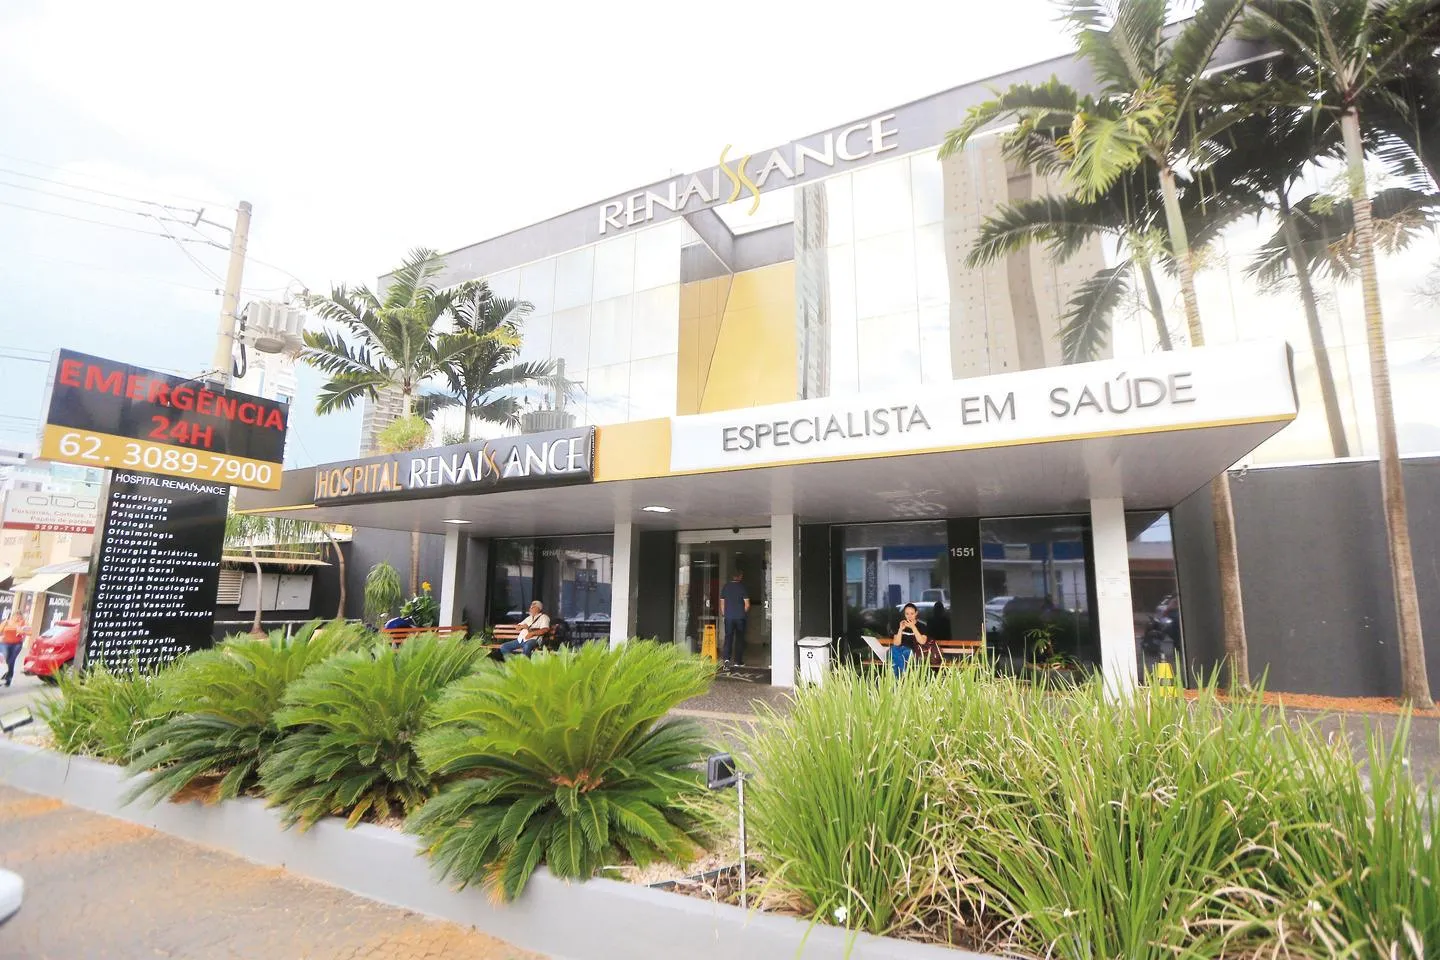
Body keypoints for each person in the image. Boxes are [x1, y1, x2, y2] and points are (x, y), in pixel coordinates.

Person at [891, 603, 935, 676]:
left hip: (913, 652)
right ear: (904, 614)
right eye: (907, 614)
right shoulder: (901, 625)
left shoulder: (922, 626)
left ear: (916, 613)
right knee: (893, 650)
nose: (909, 616)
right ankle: (903, 675)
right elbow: (896, 643)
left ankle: (899, 679)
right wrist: (900, 629)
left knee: (900, 656)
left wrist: (913, 627)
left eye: (912, 613)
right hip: (899, 650)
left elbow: (922, 641)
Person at [718, 570, 750, 668]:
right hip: (740, 618)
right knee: (739, 639)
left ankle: (726, 659)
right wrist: (742, 613)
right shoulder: (742, 587)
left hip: (729, 617)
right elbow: (747, 604)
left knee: (728, 637)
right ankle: (738, 661)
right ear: (740, 576)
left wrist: (725, 614)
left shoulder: (726, 587)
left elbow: (722, 603)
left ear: (732, 576)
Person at [1, 608, 27, 687]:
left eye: (19, 616)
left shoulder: (23, 623)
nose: (18, 617)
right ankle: (5, 674)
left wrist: (22, 633)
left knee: (11, 660)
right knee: (4, 660)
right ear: (13, 616)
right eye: (16, 615)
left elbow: (27, 632)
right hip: (5, 643)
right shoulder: (7, 622)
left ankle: (8, 678)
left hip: (17, 644)